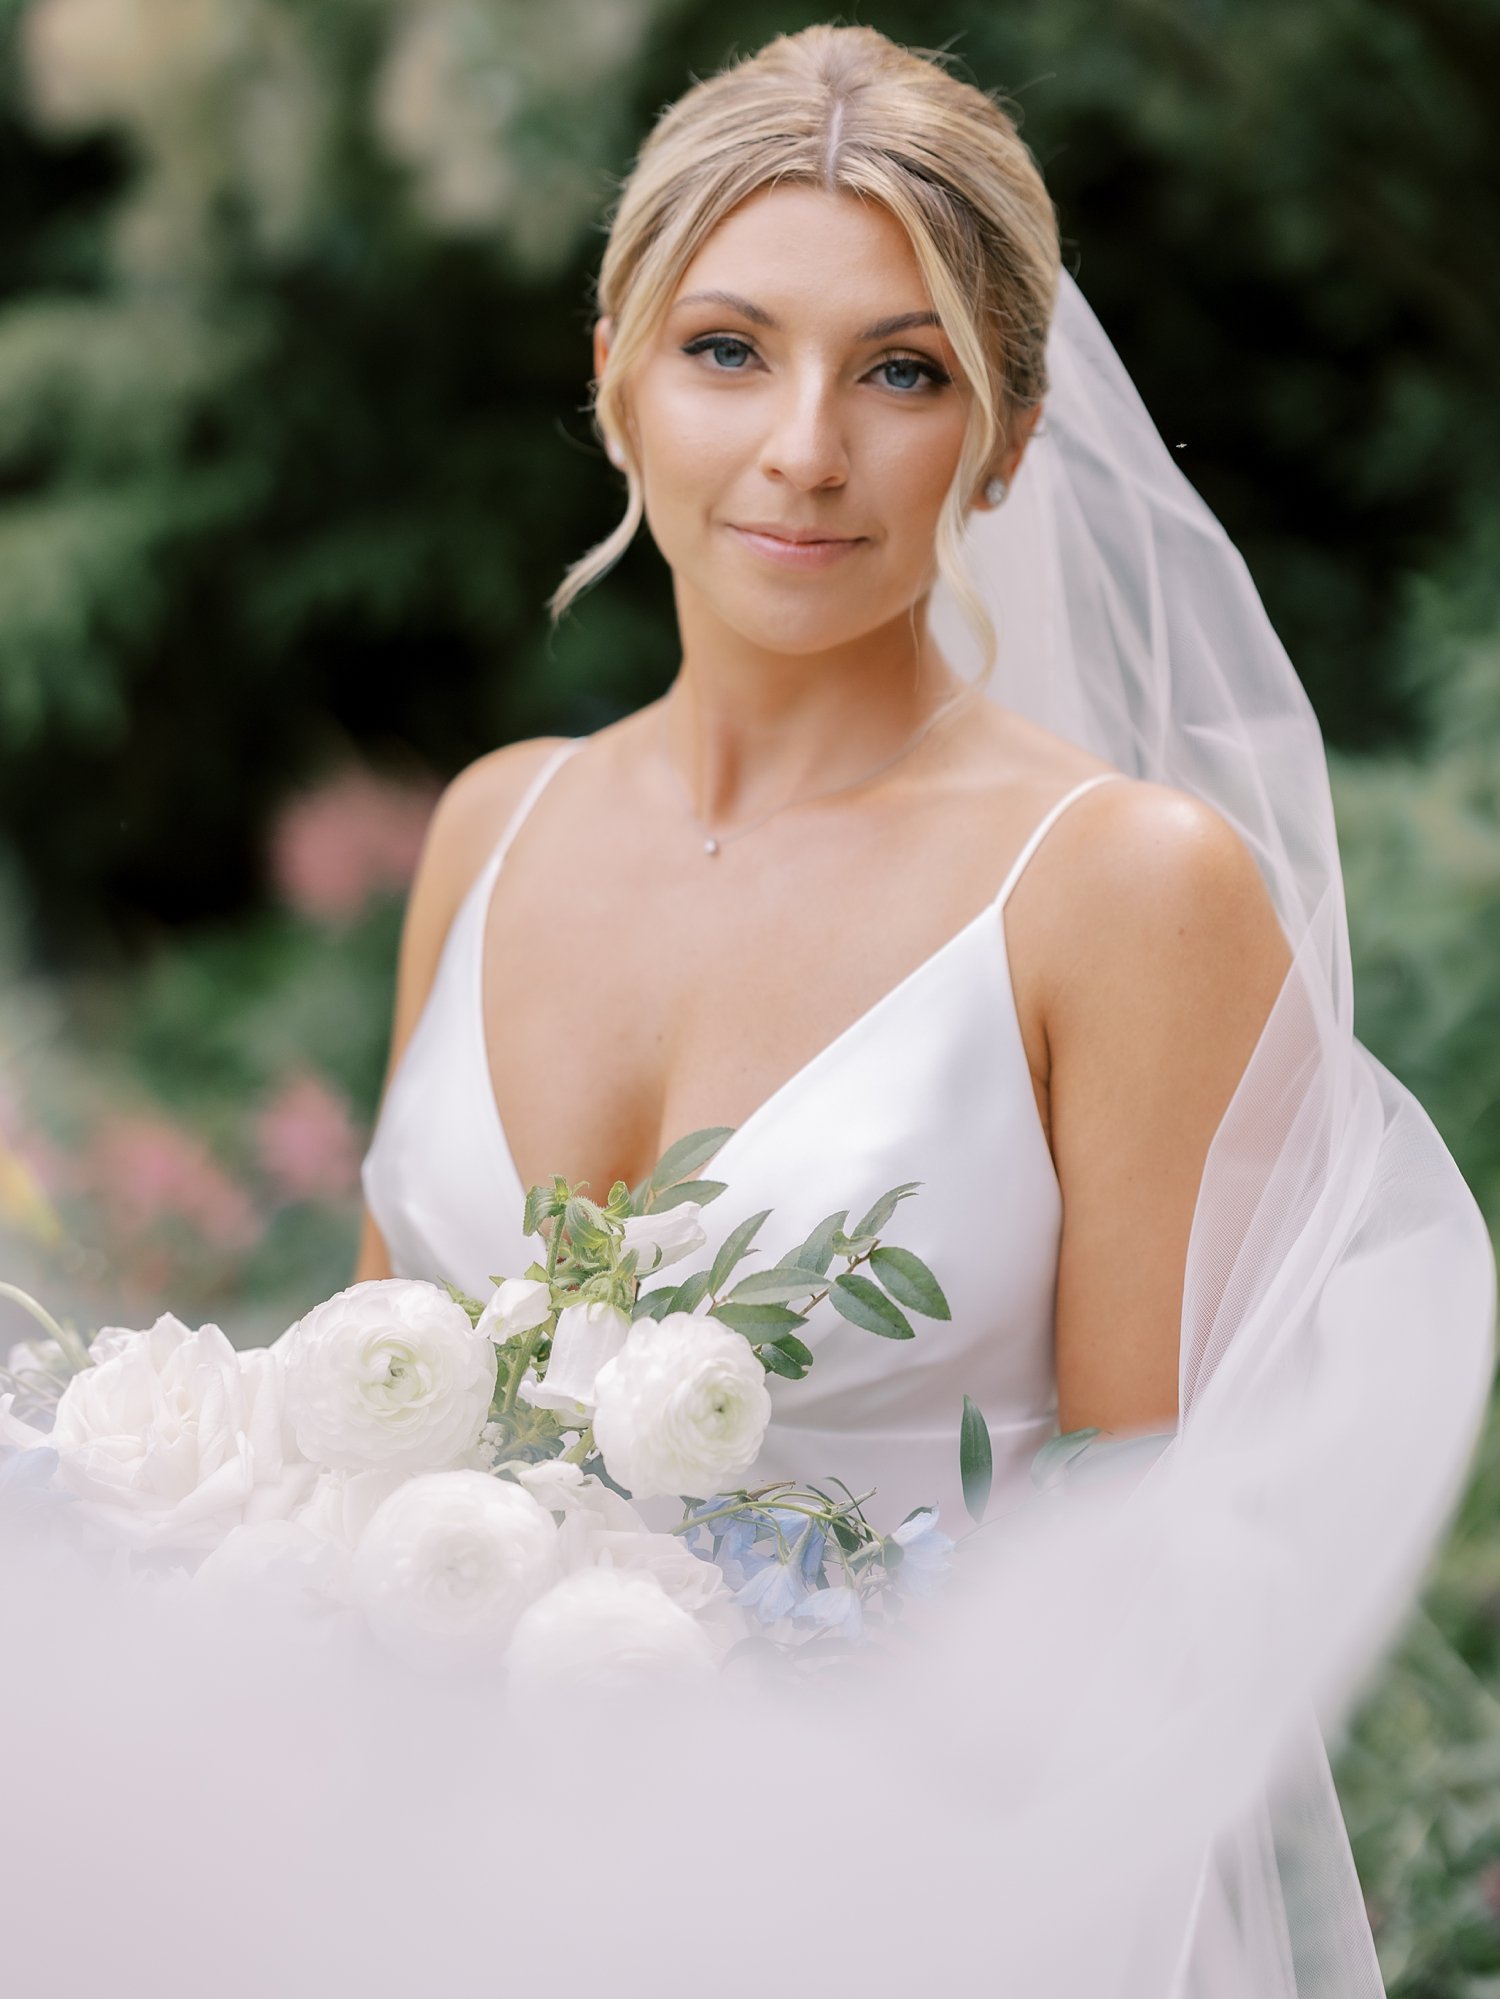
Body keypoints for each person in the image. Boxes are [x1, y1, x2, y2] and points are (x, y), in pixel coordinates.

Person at [357, 23, 1494, 1991]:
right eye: (729, 348)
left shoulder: (1122, 885)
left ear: (1012, 432)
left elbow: (1151, 1602)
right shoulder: (491, 827)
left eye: (903, 372)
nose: (807, 446)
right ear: (613, 363)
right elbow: (374, 1437)